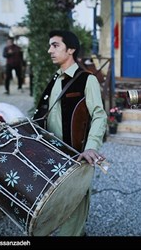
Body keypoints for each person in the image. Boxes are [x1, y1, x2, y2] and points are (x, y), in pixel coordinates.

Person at [32, 30, 107, 236]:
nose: (49, 50)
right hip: (52, 157)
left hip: (77, 157)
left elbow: (100, 115)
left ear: (71, 49)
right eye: (50, 46)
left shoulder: (86, 80)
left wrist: (91, 146)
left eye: (55, 45)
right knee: (57, 207)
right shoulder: (55, 79)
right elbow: (42, 115)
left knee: (73, 214)